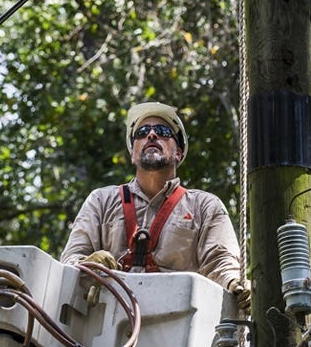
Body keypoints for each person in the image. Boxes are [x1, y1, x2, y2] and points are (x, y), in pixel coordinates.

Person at [60, 101, 251, 310]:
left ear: (178, 153)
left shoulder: (204, 206)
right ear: (133, 154)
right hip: (107, 327)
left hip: (174, 323)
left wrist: (236, 283)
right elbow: (69, 263)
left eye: (162, 131)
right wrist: (90, 264)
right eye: (142, 132)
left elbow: (221, 263)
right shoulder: (101, 201)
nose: (151, 135)